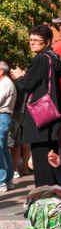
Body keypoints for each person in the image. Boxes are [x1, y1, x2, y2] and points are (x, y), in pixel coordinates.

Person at [11, 25, 61, 186]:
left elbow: (27, 85)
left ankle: (44, 198)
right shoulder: (55, 58)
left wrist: (20, 77)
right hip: (53, 114)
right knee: (51, 157)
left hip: (40, 116)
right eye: (30, 40)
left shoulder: (41, 58)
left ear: (46, 42)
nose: (32, 43)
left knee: (41, 160)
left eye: (36, 41)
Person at [0, 61, 15, 192]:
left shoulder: (5, 83)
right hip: (4, 117)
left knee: (1, 149)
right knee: (4, 149)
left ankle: (2, 181)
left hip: (2, 116)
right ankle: (8, 180)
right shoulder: (5, 82)